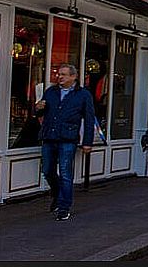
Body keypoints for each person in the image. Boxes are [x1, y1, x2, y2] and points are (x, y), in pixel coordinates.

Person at [35, 63, 96, 221]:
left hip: (67, 138)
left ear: (73, 77)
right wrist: (39, 108)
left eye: (63, 74)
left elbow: (89, 119)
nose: (59, 77)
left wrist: (87, 142)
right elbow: (41, 111)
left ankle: (64, 207)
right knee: (47, 170)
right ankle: (57, 193)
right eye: (58, 74)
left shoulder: (82, 95)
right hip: (49, 136)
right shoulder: (51, 92)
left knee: (65, 173)